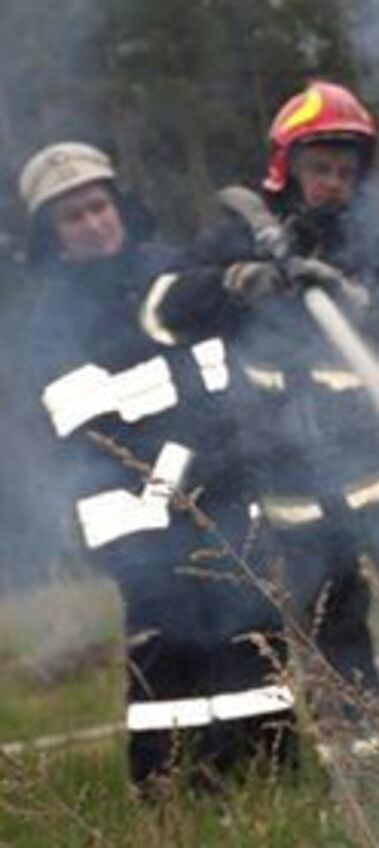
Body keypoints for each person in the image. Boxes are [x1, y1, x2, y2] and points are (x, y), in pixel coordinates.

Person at [137, 82, 379, 738]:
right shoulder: (242, 235)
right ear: (288, 165)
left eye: (346, 170)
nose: (333, 183)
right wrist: (236, 282)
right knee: (330, 633)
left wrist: (361, 304)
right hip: (293, 492)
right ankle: (365, 767)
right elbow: (161, 311)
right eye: (321, 168)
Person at [18, 142, 296, 791]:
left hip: (225, 488)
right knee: (169, 645)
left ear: (120, 204)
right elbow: (87, 423)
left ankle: (274, 774)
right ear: (51, 236)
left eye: (98, 205)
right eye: (73, 217)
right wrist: (181, 463)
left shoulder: (170, 270)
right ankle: (171, 788)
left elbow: (235, 356)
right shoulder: (51, 322)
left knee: (252, 631)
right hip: (134, 512)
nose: (93, 223)